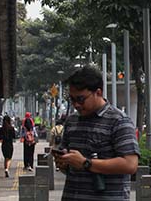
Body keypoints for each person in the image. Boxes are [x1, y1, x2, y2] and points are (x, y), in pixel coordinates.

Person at [55, 65, 140, 200]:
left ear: (98, 92)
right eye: (72, 99)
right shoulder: (72, 121)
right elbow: (69, 164)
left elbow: (130, 164)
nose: (76, 104)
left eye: (81, 99)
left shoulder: (118, 121)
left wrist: (86, 163)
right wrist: (63, 161)